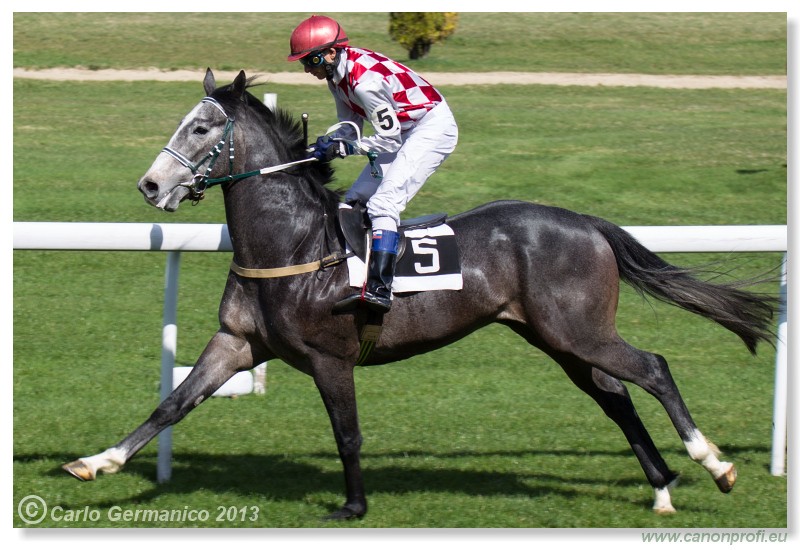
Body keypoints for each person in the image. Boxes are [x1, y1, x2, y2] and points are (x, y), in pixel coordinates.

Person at [287, 14, 459, 314]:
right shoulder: (336, 76)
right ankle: (349, 275)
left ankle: (380, 289)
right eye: (304, 62)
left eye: (311, 60)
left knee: (383, 204)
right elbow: (350, 125)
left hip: (430, 128)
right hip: (403, 130)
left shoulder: (365, 83)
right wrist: (325, 145)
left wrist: (345, 147)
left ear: (331, 52)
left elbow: (388, 140)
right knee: (354, 200)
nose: (307, 69)